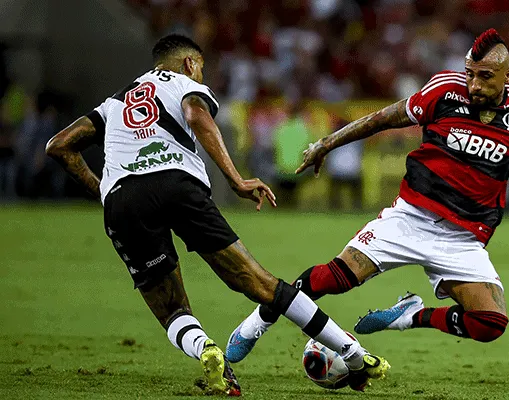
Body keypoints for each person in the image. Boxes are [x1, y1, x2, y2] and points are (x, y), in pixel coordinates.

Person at [226, 28, 509, 361]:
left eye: (485, 77)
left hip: (463, 238)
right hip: (411, 217)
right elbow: (380, 119)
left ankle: (411, 315)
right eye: (470, 73)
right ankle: (254, 325)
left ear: (508, 77)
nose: (474, 84)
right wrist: (326, 144)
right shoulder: (444, 92)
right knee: (333, 279)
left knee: (490, 324)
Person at [45, 34, 389, 396]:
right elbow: (196, 114)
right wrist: (236, 179)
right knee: (259, 282)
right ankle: (353, 353)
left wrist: (104, 191)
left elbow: (60, 145)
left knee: (171, 309)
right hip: (178, 185)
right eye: (202, 68)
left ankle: (207, 351)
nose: (202, 75)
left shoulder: (113, 102)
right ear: (190, 64)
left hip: (123, 198)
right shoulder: (184, 84)